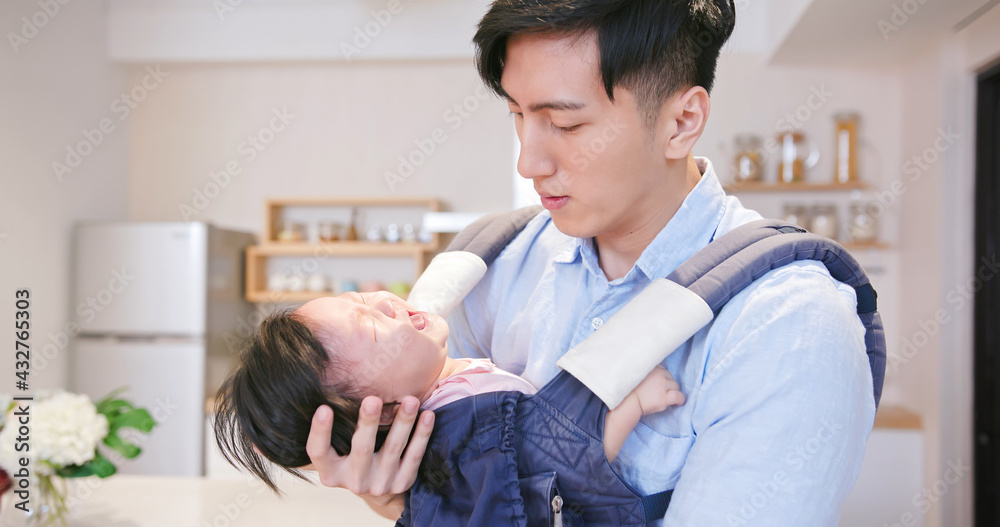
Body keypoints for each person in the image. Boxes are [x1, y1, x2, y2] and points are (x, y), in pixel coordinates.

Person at [304, 1, 877, 524]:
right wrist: (399, 493)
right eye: (518, 116)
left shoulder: (788, 323)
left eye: (568, 124)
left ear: (682, 122)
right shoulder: (491, 264)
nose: (529, 161)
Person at [212, 291, 686, 494]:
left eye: (356, 299)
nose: (385, 301)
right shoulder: (465, 421)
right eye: (373, 325)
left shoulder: (452, 389)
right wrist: (632, 405)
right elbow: (561, 466)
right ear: (387, 411)